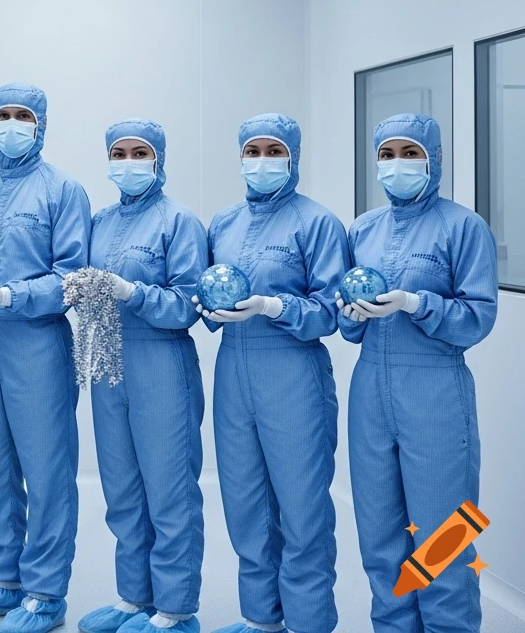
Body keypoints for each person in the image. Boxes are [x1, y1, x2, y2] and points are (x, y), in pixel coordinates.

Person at [336, 114, 498, 633]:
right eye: (387, 154)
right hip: (370, 390)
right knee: (381, 533)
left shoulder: (463, 226)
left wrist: (414, 301)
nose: (397, 165)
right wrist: (351, 313)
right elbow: (348, 324)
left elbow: (477, 318)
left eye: (411, 154)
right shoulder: (362, 227)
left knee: (443, 531)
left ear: (434, 159)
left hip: (434, 388)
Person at [0, 84, 92, 633]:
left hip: (38, 344)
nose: (9, 125)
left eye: (20, 116)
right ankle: (1, 580)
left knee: (47, 469)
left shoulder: (62, 191)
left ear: (41, 124)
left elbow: (74, 279)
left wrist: (12, 295)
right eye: (1, 115)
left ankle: (46, 593)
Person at [194, 113, 347, 633]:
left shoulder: (318, 222)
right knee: (245, 503)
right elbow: (209, 298)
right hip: (234, 372)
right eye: (252, 150)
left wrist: (272, 306)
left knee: (301, 508)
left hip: (292, 372)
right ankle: (262, 620)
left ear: (293, 156)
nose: (261, 160)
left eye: (272, 150)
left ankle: (308, 623)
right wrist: (208, 308)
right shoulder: (223, 223)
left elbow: (330, 308)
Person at [78, 120, 208, 633]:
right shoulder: (101, 221)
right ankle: (133, 597)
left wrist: (133, 292)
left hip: (161, 361)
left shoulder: (179, 222)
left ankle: (175, 610)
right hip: (109, 357)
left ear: (158, 160)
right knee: (123, 488)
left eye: (140, 153)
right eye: (119, 152)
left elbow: (188, 306)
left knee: (169, 490)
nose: (128, 162)